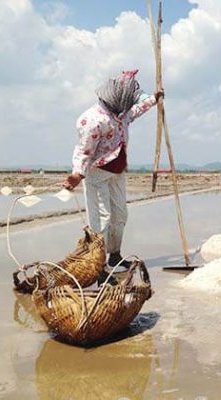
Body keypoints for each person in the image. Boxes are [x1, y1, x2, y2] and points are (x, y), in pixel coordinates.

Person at [63, 69, 164, 271]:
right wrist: (77, 175)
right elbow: (84, 151)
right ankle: (97, 266)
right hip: (97, 173)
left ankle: (115, 256)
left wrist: (154, 98)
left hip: (117, 171)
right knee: (102, 218)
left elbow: (136, 110)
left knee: (120, 214)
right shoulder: (92, 120)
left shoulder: (122, 114)